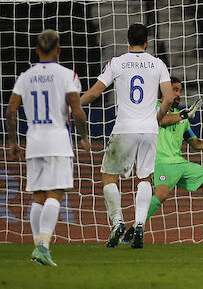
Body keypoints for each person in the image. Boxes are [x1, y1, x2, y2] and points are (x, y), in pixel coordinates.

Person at [80, 23, 174, 248]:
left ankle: (118, 222)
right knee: (144, 179)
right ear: (147, 40)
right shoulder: (157, 63)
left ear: (127, 39)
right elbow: (169, 98)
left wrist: (73, 105)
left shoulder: (117, 62)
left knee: (109, 176)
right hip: (149, 129)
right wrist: (157, 117)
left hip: (124, 128)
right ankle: (139, 225)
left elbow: (95, 92)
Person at [120, 77, 203, 244]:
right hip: (160, 162)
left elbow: (195, 144)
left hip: (180, 163)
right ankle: (133, 229)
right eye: (174, 90)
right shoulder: (152, 108)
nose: (178, 94)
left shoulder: (182, 118)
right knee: (161, 195)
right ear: (164, 91)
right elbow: (161, 120)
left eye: (179, 91)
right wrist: (183, 114)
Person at [6, 29, 90, 266]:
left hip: (34, 141)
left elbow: (11, 110)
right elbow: (76, 109)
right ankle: (43, 247)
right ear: (58, 49)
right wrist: (84, 137)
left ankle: (37, 248)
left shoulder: (25, 76)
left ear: (36, 49)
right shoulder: (67, 75)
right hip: (57, 141)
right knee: (56, 193)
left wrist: (13, 141)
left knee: (38, 196)